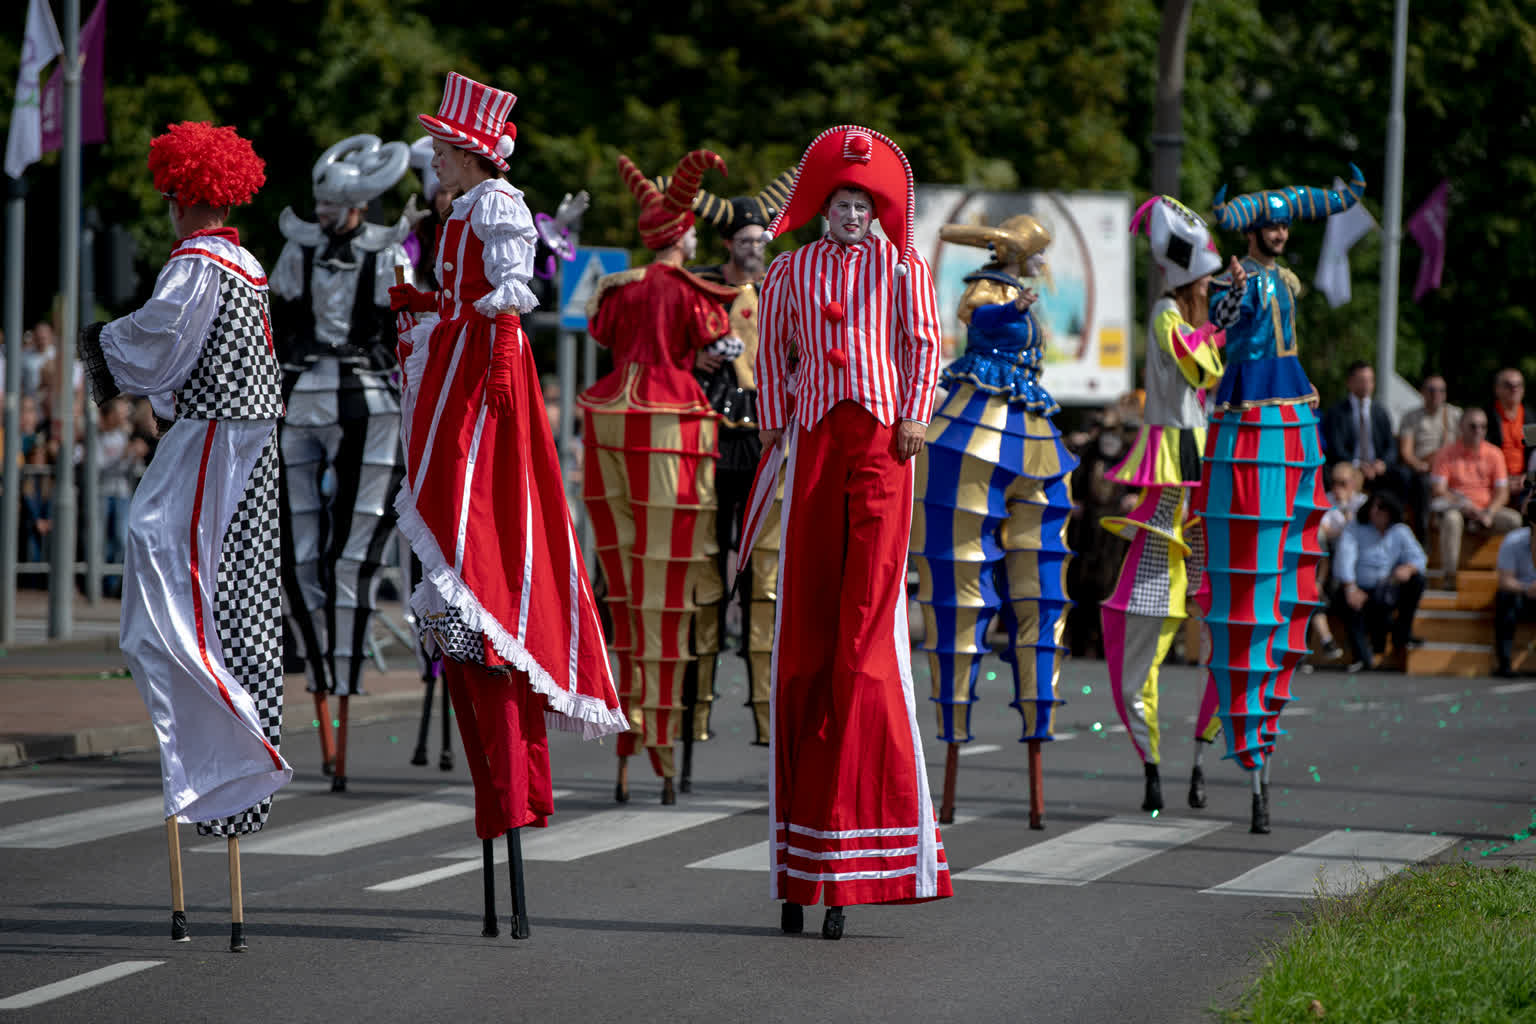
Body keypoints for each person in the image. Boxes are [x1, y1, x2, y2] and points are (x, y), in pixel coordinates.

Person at [390, 73, 627, 933]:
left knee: (482, 515)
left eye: (444, 149)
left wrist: (463, 330)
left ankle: (491, 620)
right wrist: (424, 303)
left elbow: (516, 295)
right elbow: (468, 296)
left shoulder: (495, 205)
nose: (436, 161)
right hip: (459, 369)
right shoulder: (454, 213)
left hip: (487, 381)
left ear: (470, 153)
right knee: (447, 539)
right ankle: (466, 632)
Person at [76, 120, 292, 948]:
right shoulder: (246, 263)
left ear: (179, 196)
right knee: (216, 605)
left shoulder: (197, 265)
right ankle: (220, 759)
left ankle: (217, 746)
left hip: (216, 443)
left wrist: (96, 345)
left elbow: (158, 348)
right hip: (245, 447)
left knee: (170, 592)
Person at [754, 124, 952, 938]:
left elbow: (926, 344)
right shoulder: (788, 272)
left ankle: (854, 853)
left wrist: (912, 415)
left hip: (879, 442)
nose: (850, 214)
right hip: (814, 440)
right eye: (839, 201)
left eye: (862, 204)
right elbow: (771, 353)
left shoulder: (905, 268)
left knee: (864, 637)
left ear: (878, 211)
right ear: (820, 208)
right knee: (805, 629)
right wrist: (772, 422)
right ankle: (805, 861)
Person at [1200, 164, 1363, 832]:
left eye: (1283, 221)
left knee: (1279, 578)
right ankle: (1238, 739)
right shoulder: (1228, 281)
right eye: (1268, 223)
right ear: (1252, 233)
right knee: (1246, 586)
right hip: (1247, 425)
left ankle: (1258, 735)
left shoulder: (1287, 283)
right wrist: (1232, 294)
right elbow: (1222, 325)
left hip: (1289, 423)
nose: (1279, 230)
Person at [578, 149, 737, 804]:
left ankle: (631, 738)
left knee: (624, 581)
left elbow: (602, 333)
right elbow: (711, 341)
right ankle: (660, 741)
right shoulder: (690, 293)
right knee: (666, 584)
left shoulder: (618, 288)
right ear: (682, 235)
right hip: (671, 422)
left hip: (610, 415)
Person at [911, 212, 1076, 828]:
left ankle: (1038, 717)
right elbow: (975, 320)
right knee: (957, 579)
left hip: (1026, 422)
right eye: (1032, 252)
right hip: (975, 419)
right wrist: (1010, 310)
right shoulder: (988, 288)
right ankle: (953, 728)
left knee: (1039, 588)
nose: (1038, 262)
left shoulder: (1018, 293)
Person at [269, 134, 414, 790]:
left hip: (367, 399)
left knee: (353, 555)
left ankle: (347, 691)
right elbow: (275, 319)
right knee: (298, 552)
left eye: (336, 204)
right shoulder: (296, 251)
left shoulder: (386, 258)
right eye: (321, 203)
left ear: (359, 207)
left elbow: (402, 328)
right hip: (301, 396)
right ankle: (321, 686)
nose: (325, 214)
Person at [1101, 195, 1244, 813]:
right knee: (1144, 623)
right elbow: (1202, 366)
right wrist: (1224, 324)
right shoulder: (1165, 313)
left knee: (1226, 616)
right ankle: (1153, 762)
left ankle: (1198, 758)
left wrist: (1228, 319)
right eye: (1208, 284)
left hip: (1203, 473)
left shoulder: (1189, 314)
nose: (1212, 290)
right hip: (1171, 475)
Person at [683, 170, 794, 747]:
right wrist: (694, 356)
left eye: (761, 240)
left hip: (763, 441)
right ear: (729, 245)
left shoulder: (780, 289)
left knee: (762, 580)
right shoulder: (699, 288)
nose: (755, 249)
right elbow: (671, 343)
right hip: (709, 437)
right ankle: (693, 713)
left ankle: (764, 718)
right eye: (747, 240)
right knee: (705, 571)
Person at [1330, 491, 1427, 671]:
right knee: (1348, 605)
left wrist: (1408, 568)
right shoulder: (1355, 528)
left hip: (1385, 590)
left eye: (1381, 507)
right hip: (1358, 589)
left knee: (1417, 580)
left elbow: (1420, 559)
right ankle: (1362, 658)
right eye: (1373, 506)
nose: (1375, 511)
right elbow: (1345, 557)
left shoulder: (1400, 531)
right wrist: (1351, 588)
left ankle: (1402, 635)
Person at [1429, 407, 1521, 586]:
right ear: (1461, 427)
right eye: (1473, 426)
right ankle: (1450, 578)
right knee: (1452, 520)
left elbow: (1502, 492)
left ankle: (1509, 575)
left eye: (1483, 427)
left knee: (1515, 520)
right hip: (1458, 508)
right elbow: (1439, 489)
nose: (1478, 431)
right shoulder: (1446, 453)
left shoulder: (1494, 453)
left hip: (1485, 511)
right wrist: (1466, 507)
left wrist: (1489, 513)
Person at [1396, 374, 1461, 536]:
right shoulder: (1411, 417)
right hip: (1421, 469)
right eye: (1431, 390)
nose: (1436, 394)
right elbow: (1406, 452)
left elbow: (1464, 446)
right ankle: (1421, 534)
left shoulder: (1456, 415)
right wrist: (1420, 466)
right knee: (1421, 483)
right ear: (1422, 392)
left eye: (1441, 390)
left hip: (1450, 469)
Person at [1323, 360, 1396, 489]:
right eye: (1362, 380)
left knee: (1402, 476)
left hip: (1377, 469)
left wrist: (1383, 463)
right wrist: (1357, 464)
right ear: (1350, 382)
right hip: (1348, 466)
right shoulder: (1337, 412)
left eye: (1370, 380)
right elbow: (1336, 447)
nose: (1366, 385)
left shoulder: (1380, 412)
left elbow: (1391, 445)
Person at [1493, 507, 1536, 677]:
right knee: (1505, 597)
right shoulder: (1513, 540)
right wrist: (1527, 588)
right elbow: (1505, 580)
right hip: (1522, 596)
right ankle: (1504, 664)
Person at [1486, 368, 1533, 481]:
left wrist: (1528, 479)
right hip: (1494, 481)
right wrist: (1502, 482)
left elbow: (1533, 454)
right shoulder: (1486, 418)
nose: (1514, 389)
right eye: (1508, 385)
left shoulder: (1530, 418)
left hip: (1525, 482)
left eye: (1518, 385)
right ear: (1497, 389)